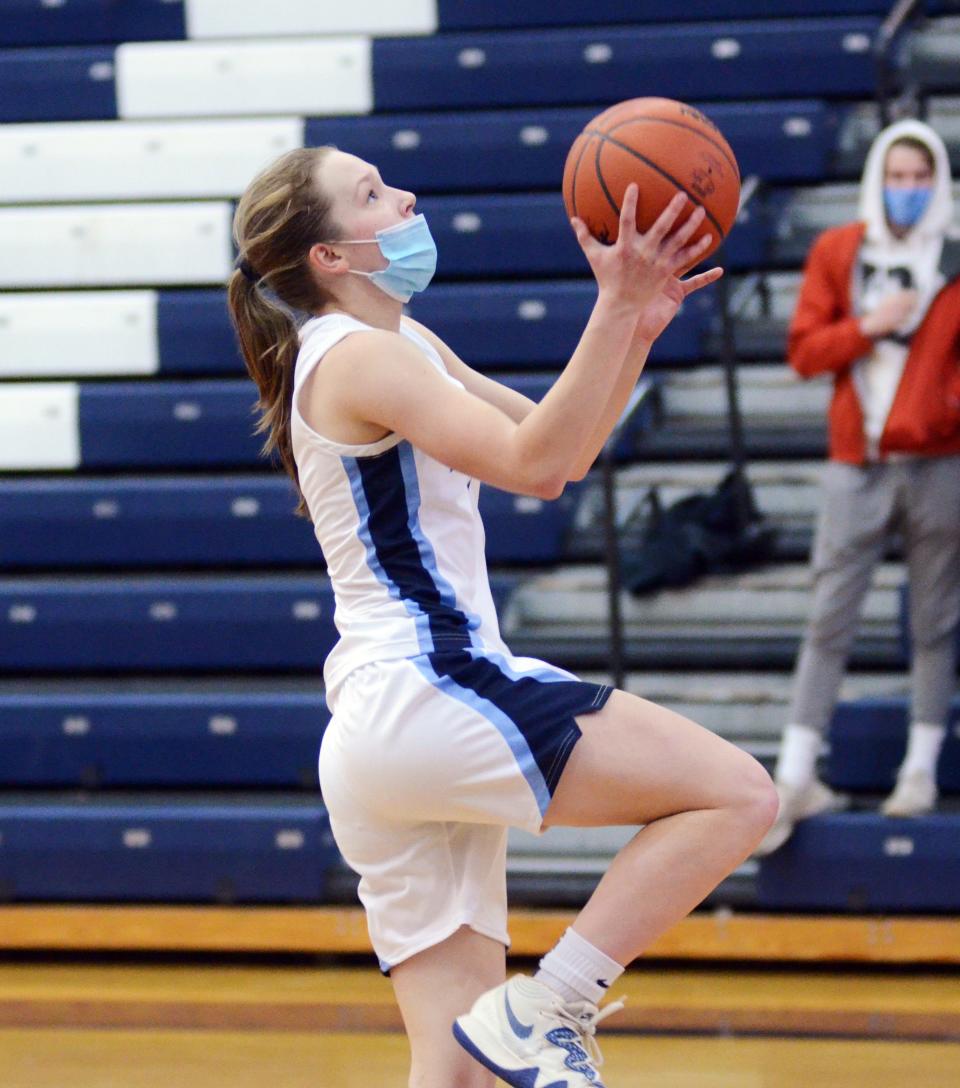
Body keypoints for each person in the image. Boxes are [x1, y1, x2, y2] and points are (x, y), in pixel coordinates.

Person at [227, 145, 778, 1088]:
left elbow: (557, 451)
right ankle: (554, 1003)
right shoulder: (360, 357)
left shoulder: (403, 343)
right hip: (428, 683)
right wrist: (611, 311)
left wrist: (634, 326)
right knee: (737, 794)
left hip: (379, 735)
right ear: (329, 257)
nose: (404, 195)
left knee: (454, 1072)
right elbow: (531, 463)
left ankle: (527, 1021)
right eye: (371, 194)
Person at [756, 118, 960, 857]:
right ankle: (797, 772)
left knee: (935, 622)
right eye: (897, 176)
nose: (908, 190)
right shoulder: (839, 251)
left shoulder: (956, 256)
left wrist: (943, 407)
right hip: (856, 460)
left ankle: (920, 770)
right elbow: (805, 351)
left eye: (921, 177)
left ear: (938, 183)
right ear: (878, 178)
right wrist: (869, 327)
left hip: (939, 462)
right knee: (828, 617)